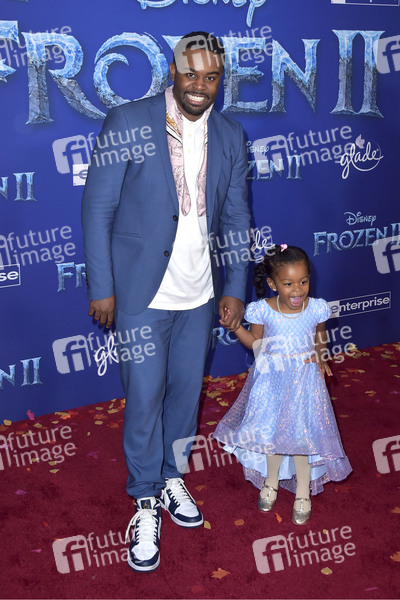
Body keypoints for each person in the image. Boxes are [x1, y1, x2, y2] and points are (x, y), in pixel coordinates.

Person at [81, 31, 250, 571]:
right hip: (140, 292)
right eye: (190, 74)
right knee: (145, 396)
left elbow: (236, 217)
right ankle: (144, 497)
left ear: (221, 79)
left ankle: (172, 475)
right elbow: (97, 209)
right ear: (172, 72)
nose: (200, 86)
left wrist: (234, 286)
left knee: (184, 396)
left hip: (200, 294)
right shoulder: (127, 122)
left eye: (211, 77)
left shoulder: (230, 133)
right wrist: (102, 287)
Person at [214, 244, 352, 525]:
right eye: (288, 284)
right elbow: (256, 344)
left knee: (302, 436)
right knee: (272, 435)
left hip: (304, 379)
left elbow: (320, 335)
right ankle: (271, 482)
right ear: (272, 283)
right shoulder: (263, 310)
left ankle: (303, 492)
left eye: (303, 281)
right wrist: (237, 328)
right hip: (272, 380)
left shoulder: (316, 308)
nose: (297, 290)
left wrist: (320, 353)